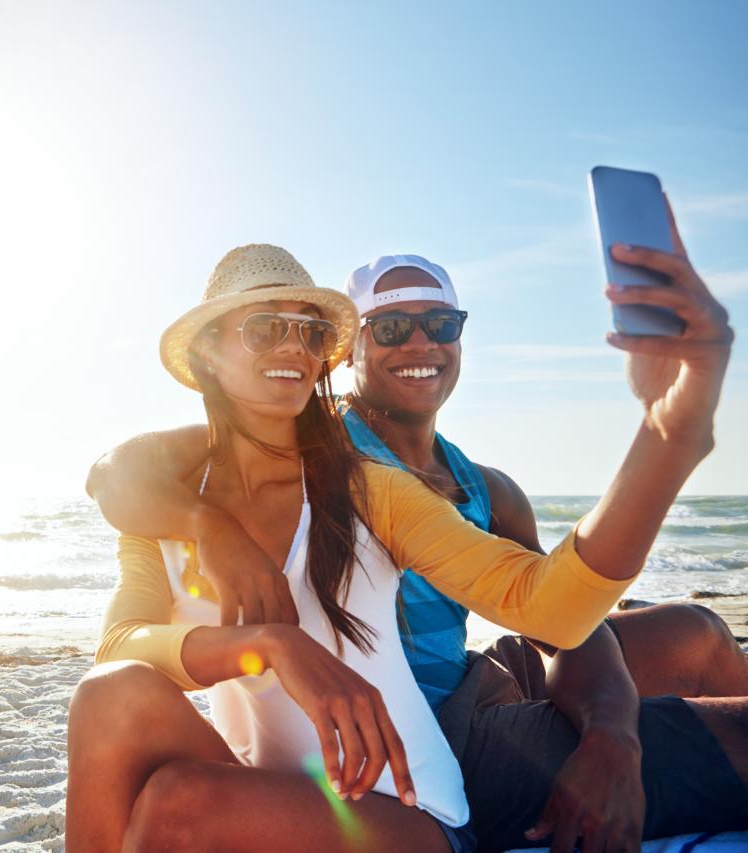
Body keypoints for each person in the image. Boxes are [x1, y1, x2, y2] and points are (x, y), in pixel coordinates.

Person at [66, 232, 733, 852]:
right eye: (266, 327)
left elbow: (550, 606)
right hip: (288, 784)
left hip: (406, 801)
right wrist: (266, 640)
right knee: (110, 696)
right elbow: (120, 646)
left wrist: (669, 432)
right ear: (209, 351)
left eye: (311, 331)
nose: (293, 347)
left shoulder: (365, 487)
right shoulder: (170, 498)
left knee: (176, 805)